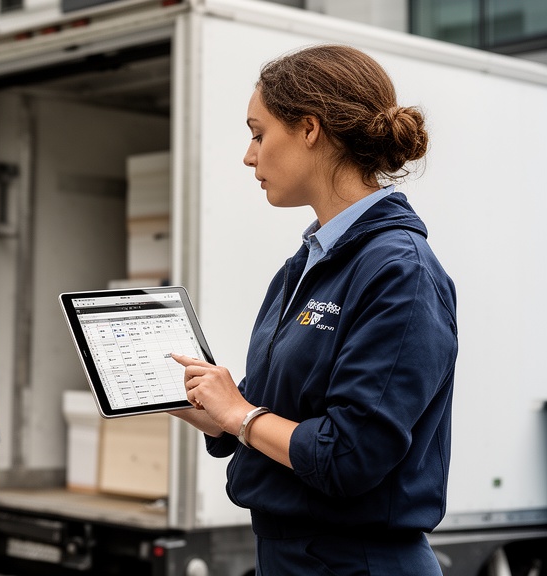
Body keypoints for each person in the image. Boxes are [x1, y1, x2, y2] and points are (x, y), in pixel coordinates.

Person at [169, 45, 456, 575]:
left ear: (309, 130)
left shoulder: (400, 271)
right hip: (293, 557)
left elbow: (350, 454)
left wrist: (241, 414)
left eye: (258, 133)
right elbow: (285, 416)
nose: (249, 155)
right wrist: (210, 412)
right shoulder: (310, 260)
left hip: (355, 562)